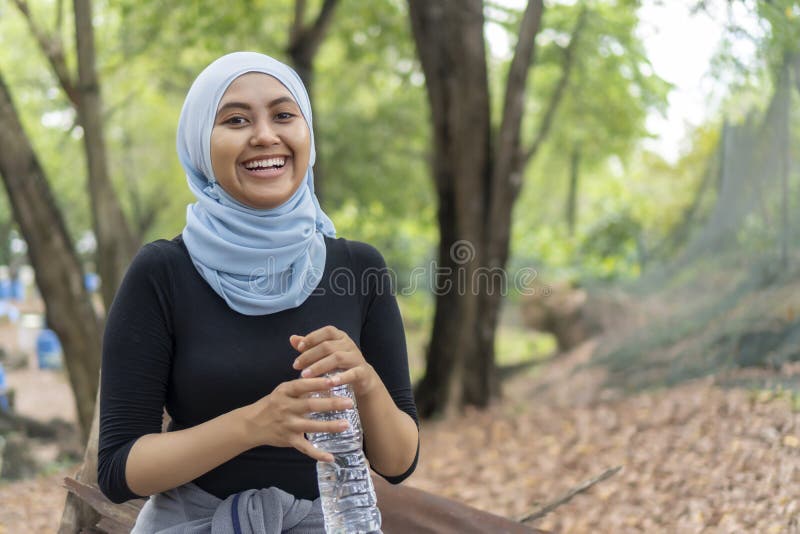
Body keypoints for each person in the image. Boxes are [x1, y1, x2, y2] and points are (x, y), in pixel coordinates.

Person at [97, 51, 419, 533]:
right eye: (235, 119)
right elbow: (118, 470)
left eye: (284, 115)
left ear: (307, 132)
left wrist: (366, 382)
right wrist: (254, 424)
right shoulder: (162, 271)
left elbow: (398, 463)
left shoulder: (358, 267)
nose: (265, 135)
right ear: (200, 145)